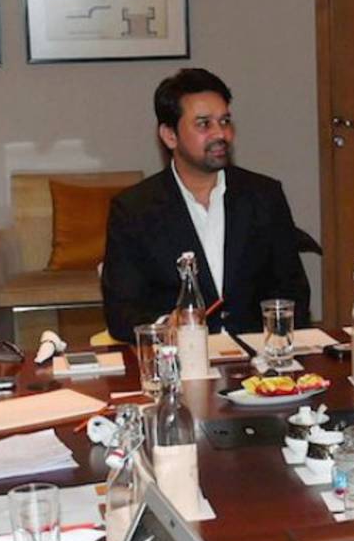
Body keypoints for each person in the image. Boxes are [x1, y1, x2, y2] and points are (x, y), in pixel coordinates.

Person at [103, 68, 311, 339]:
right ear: (169, 135)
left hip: (259, 362)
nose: (220, 134)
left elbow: (293, 292)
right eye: (204, 124)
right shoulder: (134, 209)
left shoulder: (264, 196)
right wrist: (171, 326)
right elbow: (121, 312)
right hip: (179, 363)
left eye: (224, 121)